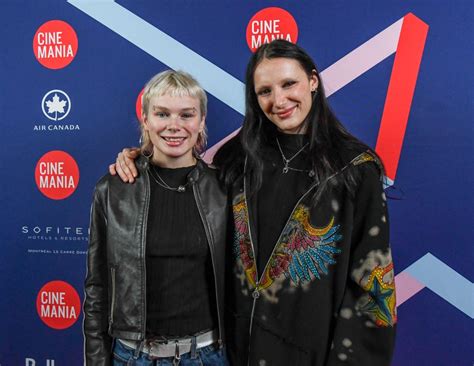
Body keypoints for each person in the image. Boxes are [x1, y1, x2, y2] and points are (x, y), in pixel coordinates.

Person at [111, 40, 397, 366]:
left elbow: (374, 288)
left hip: (311, 354)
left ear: (313, 82)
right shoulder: (236, 159)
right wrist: (141, 159)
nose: (279, 100)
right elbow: (183, 184)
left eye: (289, 84)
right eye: (265, 91)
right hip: (231, 352)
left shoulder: (354, 169)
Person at [84, 70, 229, 365]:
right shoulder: (112, 189)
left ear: (201, 121)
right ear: (146, 121)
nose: (174, 126)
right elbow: (97, 289)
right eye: (162, 114)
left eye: (186, 115)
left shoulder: (226, 188)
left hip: (208, 355)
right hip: (132, 357)